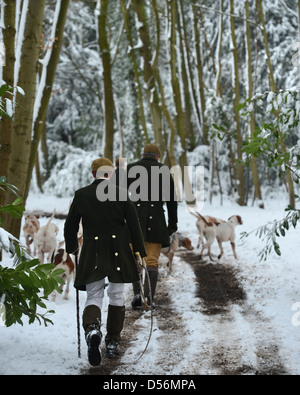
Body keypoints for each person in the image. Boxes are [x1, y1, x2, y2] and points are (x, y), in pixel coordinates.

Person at [64, 158, 146, 366]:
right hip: (119, 249)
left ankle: (92, 329)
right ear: (110, 174)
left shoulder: (81, 194)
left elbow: (70, 226)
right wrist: (139, 251)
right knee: (117, 295)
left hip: (93, 250)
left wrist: (72, 247)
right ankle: (112, 343)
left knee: (94, 294)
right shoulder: (121, 192)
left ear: (93, 174)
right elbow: (134, 225)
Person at [127, 144, 178, 308]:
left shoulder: (130, 169)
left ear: (143, 154)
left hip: (133, 221)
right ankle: (148, 298)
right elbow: (171, 200)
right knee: (152, 262)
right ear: (157, 156)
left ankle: (137, 294)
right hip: (156, 221)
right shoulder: (163, 170)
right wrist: (172, 223)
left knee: (135, 260)